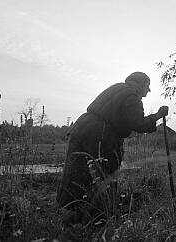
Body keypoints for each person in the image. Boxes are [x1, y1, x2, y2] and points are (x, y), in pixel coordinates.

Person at [56, 72, 168, 227]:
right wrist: (157, 115)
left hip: (81, 128)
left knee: (76, 171)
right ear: (141, 84)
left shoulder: (116, 88)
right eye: (147, 86)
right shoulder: (132, 95)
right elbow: (139, 124)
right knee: (104, 173)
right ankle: (100, 216)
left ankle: (71, 211)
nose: (148, 91)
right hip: (99, 134)